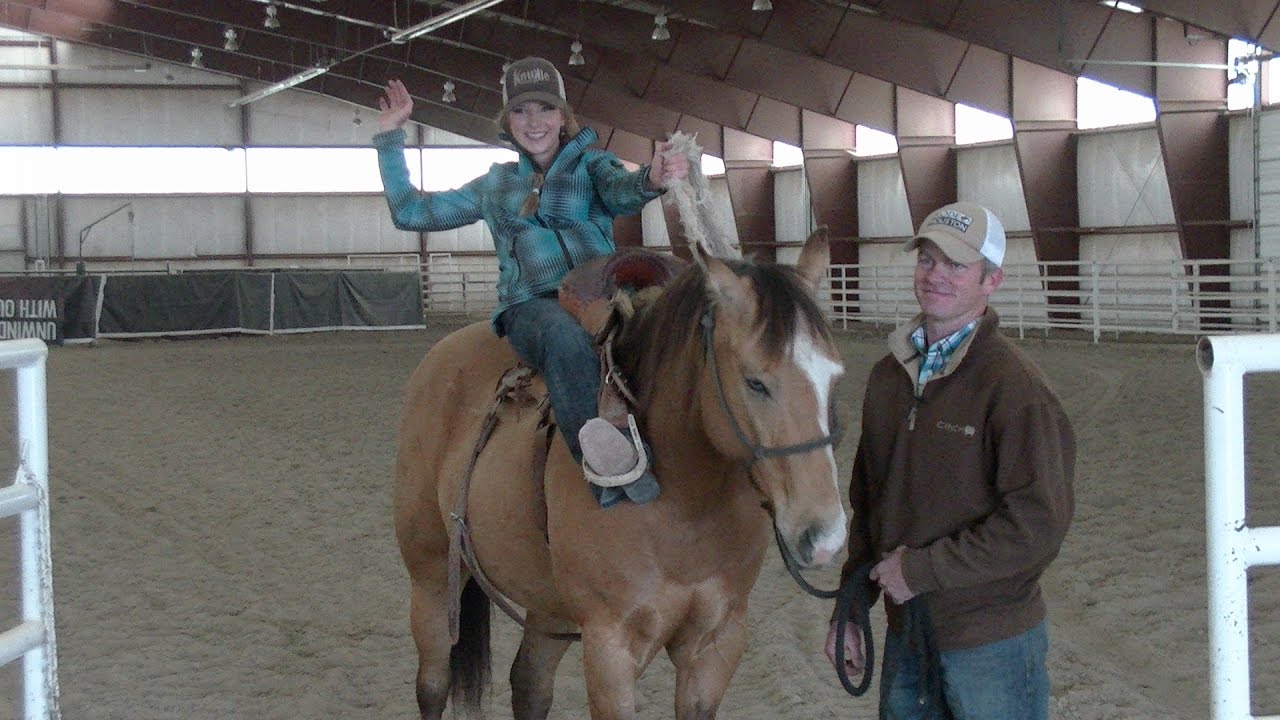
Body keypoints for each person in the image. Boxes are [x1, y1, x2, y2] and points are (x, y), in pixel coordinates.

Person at [373, 57, 687, 508]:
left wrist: (652, 179)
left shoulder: (593, 168)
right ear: (507, 122)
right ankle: (605, 469)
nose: (534, 122)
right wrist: (389, 139)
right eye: (520, 111)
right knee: (563, 339)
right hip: (532, 306)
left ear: (563, 117)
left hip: (599, 294)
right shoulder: (495, 186)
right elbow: (410, 212)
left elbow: (624, 190)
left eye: (545, 109)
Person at [824, 201, 1075, 719]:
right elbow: (869, 502)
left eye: (955, 265)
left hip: (990, 641)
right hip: (907, 631)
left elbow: (1038, 523)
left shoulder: (1015, 389)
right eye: (927, 260)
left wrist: (921, 570)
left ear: (991, 281)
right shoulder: (887, 379)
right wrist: (851, 604)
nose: (936, 275)